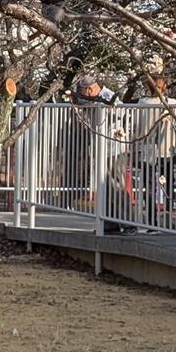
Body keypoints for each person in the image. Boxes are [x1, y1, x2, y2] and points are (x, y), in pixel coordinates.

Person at [73, 74, 130, 233]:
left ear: (90, 89)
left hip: (114, 148)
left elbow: (122, 113)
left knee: (117, 186)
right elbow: (80, 102)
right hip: (101, 149)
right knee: (104, 187)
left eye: (84, 92)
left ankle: (128, 223)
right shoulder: (90, 98)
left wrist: (106, 108)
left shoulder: (109, 96)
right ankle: (109, 223)